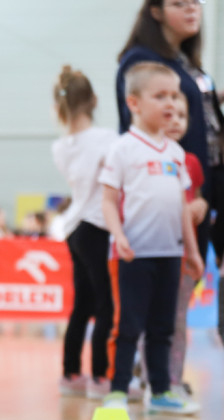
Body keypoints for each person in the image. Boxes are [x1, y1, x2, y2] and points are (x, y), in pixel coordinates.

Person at [117, 0, 224, 357]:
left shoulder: (189, 63)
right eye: (180, 3)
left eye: (196, 3)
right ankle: (158, 377)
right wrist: (190, 192)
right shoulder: (141, 62)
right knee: (167, 299)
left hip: (209, 184)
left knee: (181, 294)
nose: (193, 9)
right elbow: (139, 135)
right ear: (156, 11)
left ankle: (161, 373)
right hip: (181, 193)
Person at [100, 62, 203, 414]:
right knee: (128, 324)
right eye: (160, 95)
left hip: (170, 254)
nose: (171, 103)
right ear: (134, 103)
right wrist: (117, 235)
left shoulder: (176, 154)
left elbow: (183, 208)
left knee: (162, 326)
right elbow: (109, 201)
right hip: (133, 254)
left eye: (174, 95)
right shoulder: (123, 149)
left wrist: (192, 251)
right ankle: (117, 390)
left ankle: (160, 391)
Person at [51, 66, 119, 400]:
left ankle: (70, 372)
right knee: (105, 304)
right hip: (96, 225)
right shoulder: (108, 139)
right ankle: (100, 377)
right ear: (93, 100)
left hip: (74, 227)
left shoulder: (61, 147)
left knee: (82, 304)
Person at [164, 96, 209, 395]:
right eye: (169, 114)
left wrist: (201, 204)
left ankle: (172, 380)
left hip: (182, 255)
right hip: (151, 254)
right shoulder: (135, 155)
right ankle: (152, 377)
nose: (176, 121)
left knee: (178, 321)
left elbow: (197, 195)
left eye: (182, 115)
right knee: (150, 322)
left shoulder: (190, 161)